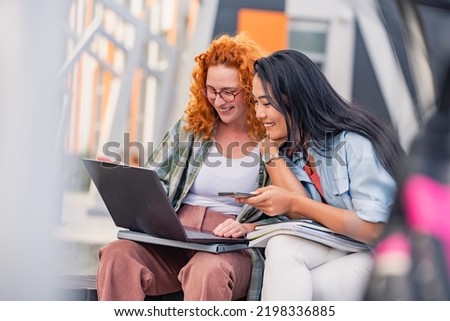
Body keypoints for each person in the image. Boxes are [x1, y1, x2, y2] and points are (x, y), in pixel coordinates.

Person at [96, 32, 270, 301]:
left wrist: (248, 228)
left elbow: (288, 211)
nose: (218, 100)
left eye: (229, 92)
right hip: (176, 234)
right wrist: (124, 179)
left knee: (207, 270)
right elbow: (156, 180)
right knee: (119, 254)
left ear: (250, 88)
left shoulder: (272, 135)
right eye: (211, 90)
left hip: (231, 246)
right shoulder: (191, 127)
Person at [239, 49, 405, 300]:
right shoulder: (296, 150)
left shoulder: (354, 143)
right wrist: (270, 154)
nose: (259, 114)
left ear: (295, 100)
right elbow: (302, 214)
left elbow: (374, 229)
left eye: (266, 103)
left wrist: (294, 202)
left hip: (386, 256)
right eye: (255, 102)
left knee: (307, 289)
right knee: (282, 248)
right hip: (343, 247)